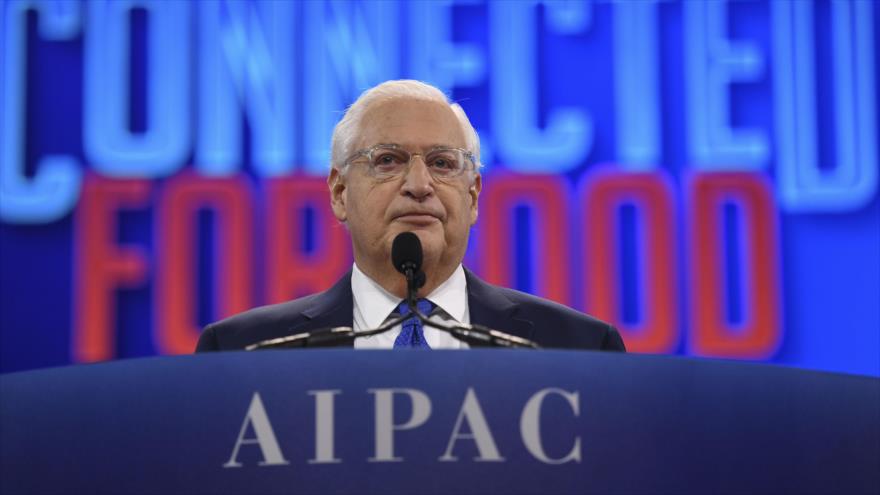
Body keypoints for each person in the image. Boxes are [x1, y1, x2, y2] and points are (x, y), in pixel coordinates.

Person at [196, 80, 625, 352]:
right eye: (387, 160)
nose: (419, 184)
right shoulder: (246, 352)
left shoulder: (575, 349)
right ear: (340, 192)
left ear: (473, 196)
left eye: (442, 163)